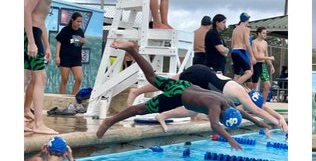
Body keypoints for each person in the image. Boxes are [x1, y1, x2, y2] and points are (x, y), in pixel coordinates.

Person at [94, 46, 244, 149]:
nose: (220, 120)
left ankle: (132, 50)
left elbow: (242, 113)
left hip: (183, 85)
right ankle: (109, 121)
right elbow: (215, 125)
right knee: (140, 109)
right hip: (176, 96)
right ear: (223, 116)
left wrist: (256, 121)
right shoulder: (215, 107)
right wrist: (230, 139)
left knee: (152, 77)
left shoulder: (227, 102)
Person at [25, 0, 69, 136]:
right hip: (31, 33)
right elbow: (26, 10)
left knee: (26, 77)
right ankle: (38, 124)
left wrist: (47, 45)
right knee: (40, 78)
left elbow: (40, 19)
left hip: (34, 32)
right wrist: (31, 41)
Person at [228, 13, 253, 83]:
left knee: (237, 75)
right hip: (240, 51)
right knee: (249, 73)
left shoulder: (235, 29)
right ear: (247, 20)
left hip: (233, 52)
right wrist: (252, 56)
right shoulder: (246, 29)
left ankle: (233, 87)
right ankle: (234, 86)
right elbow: (247, 44)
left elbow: (232, 44)